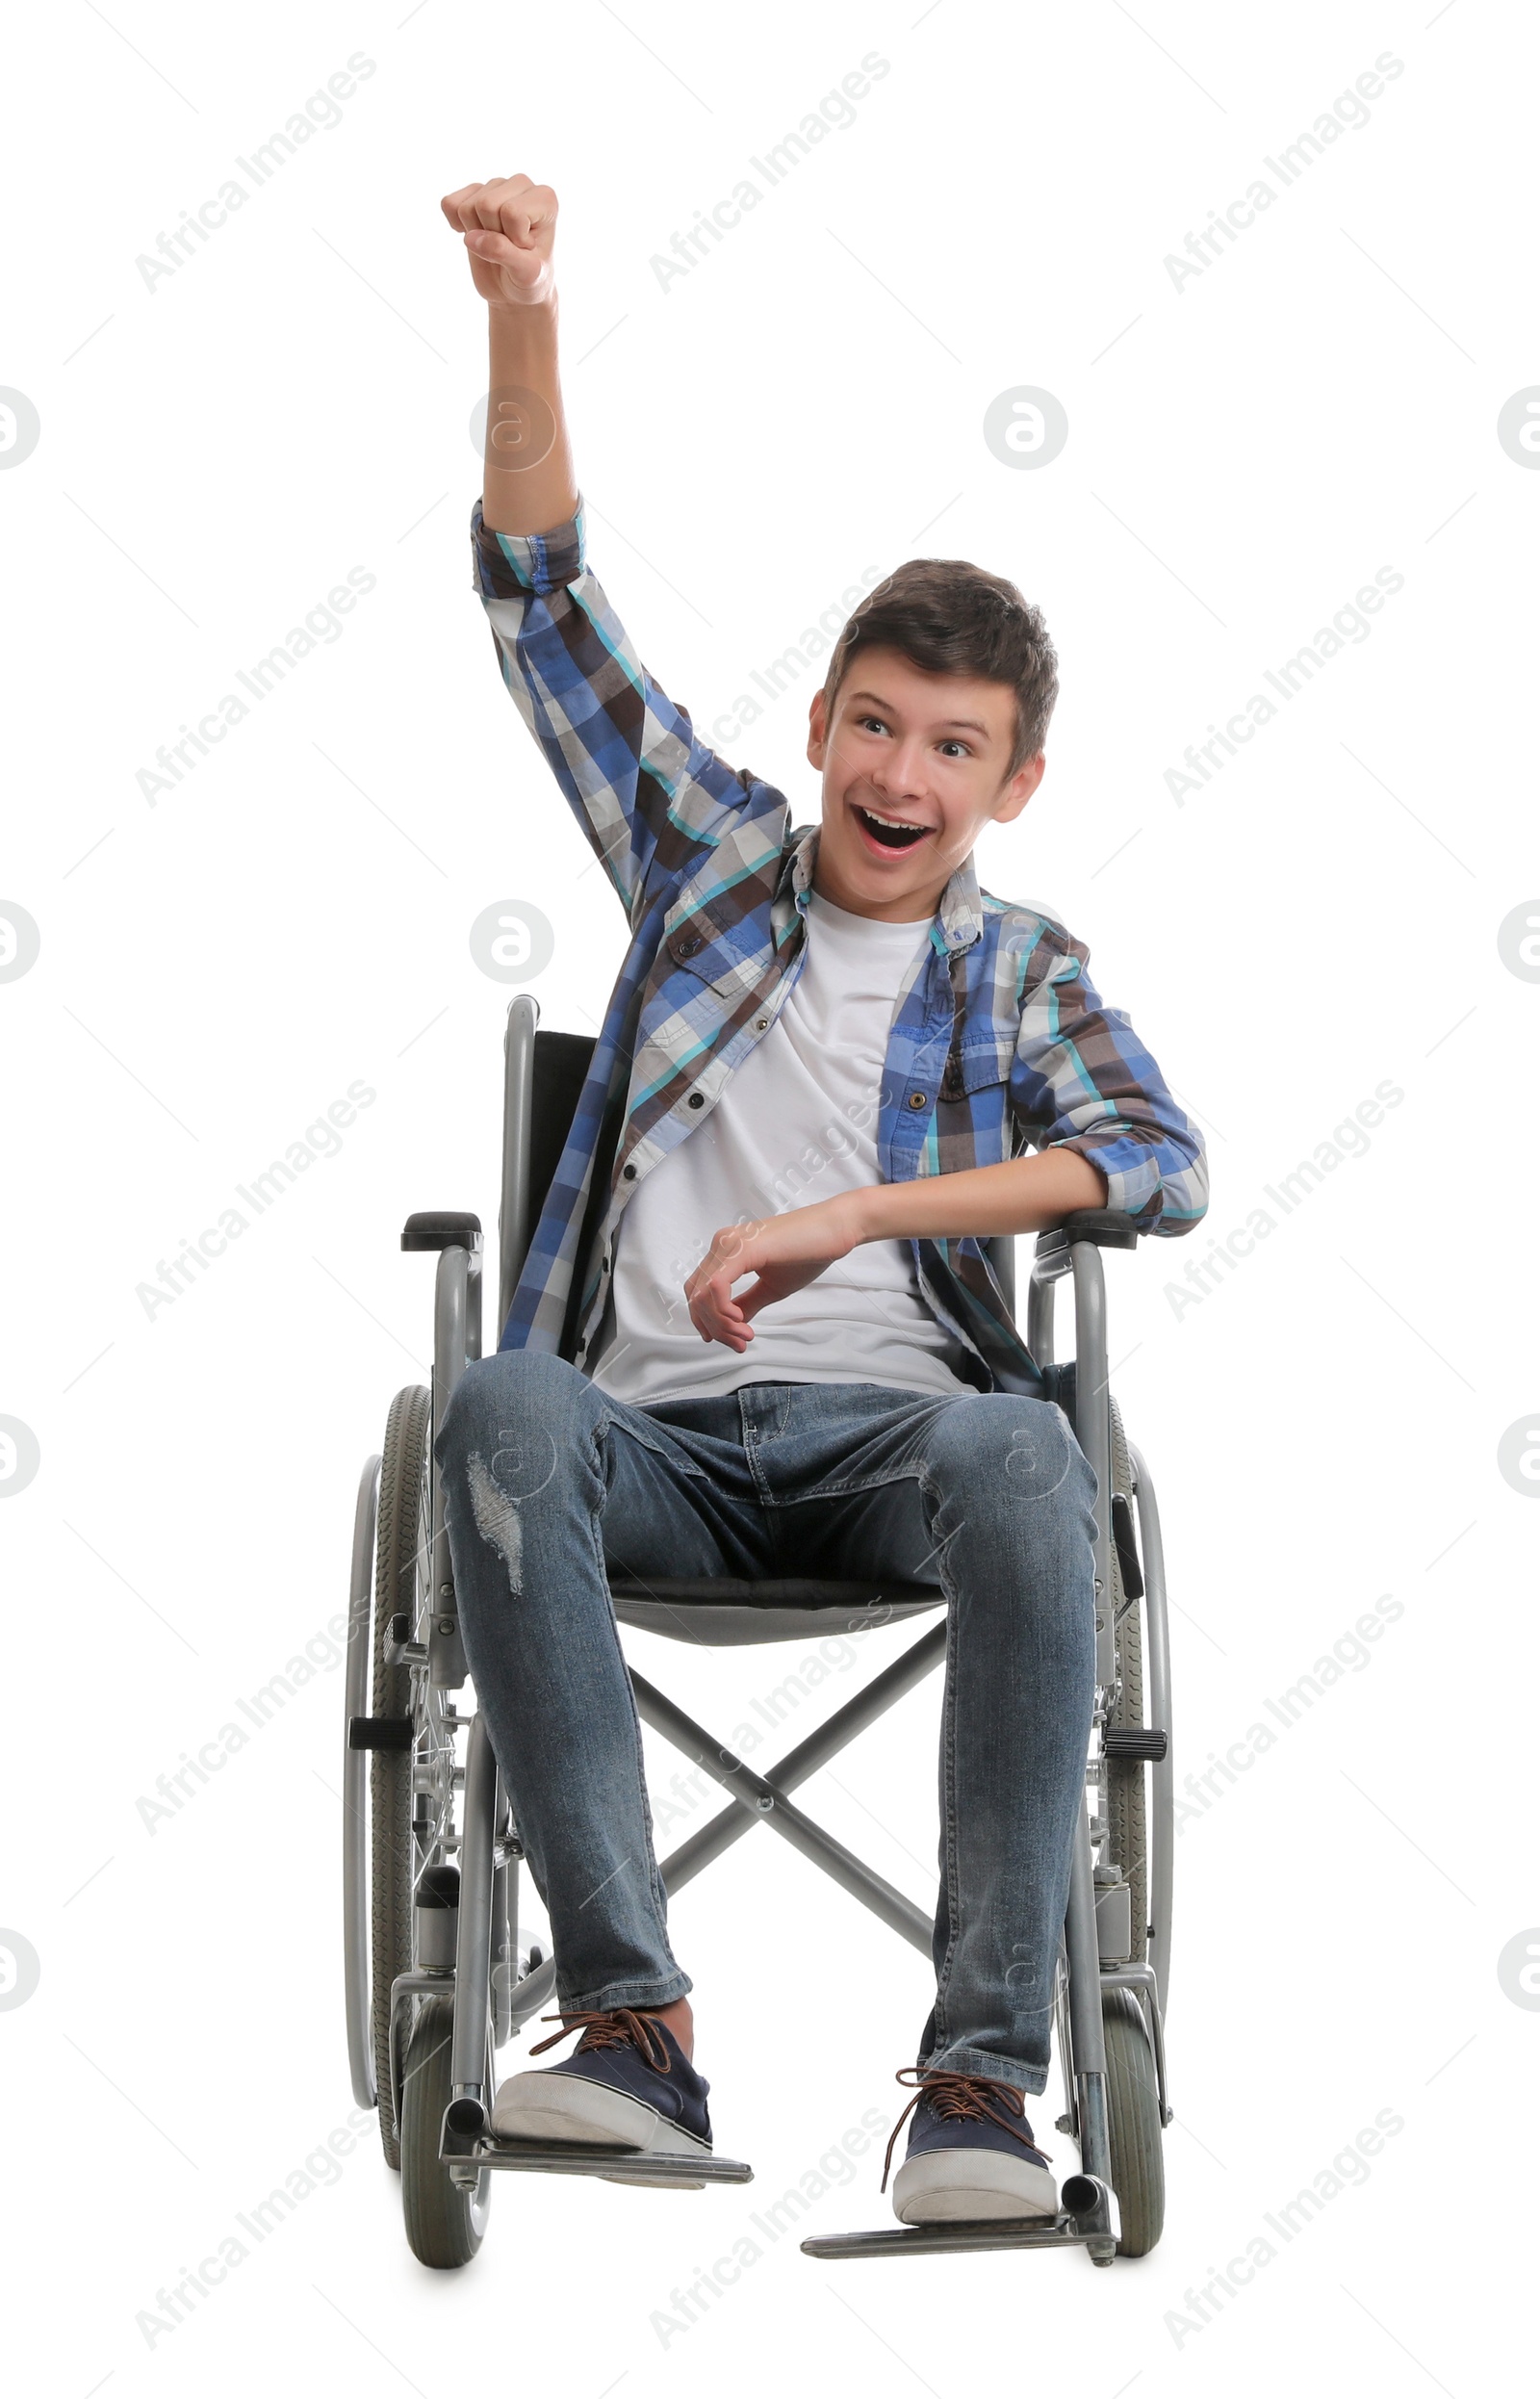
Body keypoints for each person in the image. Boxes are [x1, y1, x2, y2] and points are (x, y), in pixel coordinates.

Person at [433, 173, 1208, 2226]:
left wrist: (861, 1219)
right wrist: (523, 312)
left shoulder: (1017, 968)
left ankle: (975, 2092)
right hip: (646, 1445)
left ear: (1006, 782)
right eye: (873, 724)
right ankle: (629, 2032)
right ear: (820, 728)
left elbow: (1154, 1160)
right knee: (493, 1411)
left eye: (949, 746)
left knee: (1030, 1444)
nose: (898, 772)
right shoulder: (705, 857)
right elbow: (536, 599)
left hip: (895, 1449)